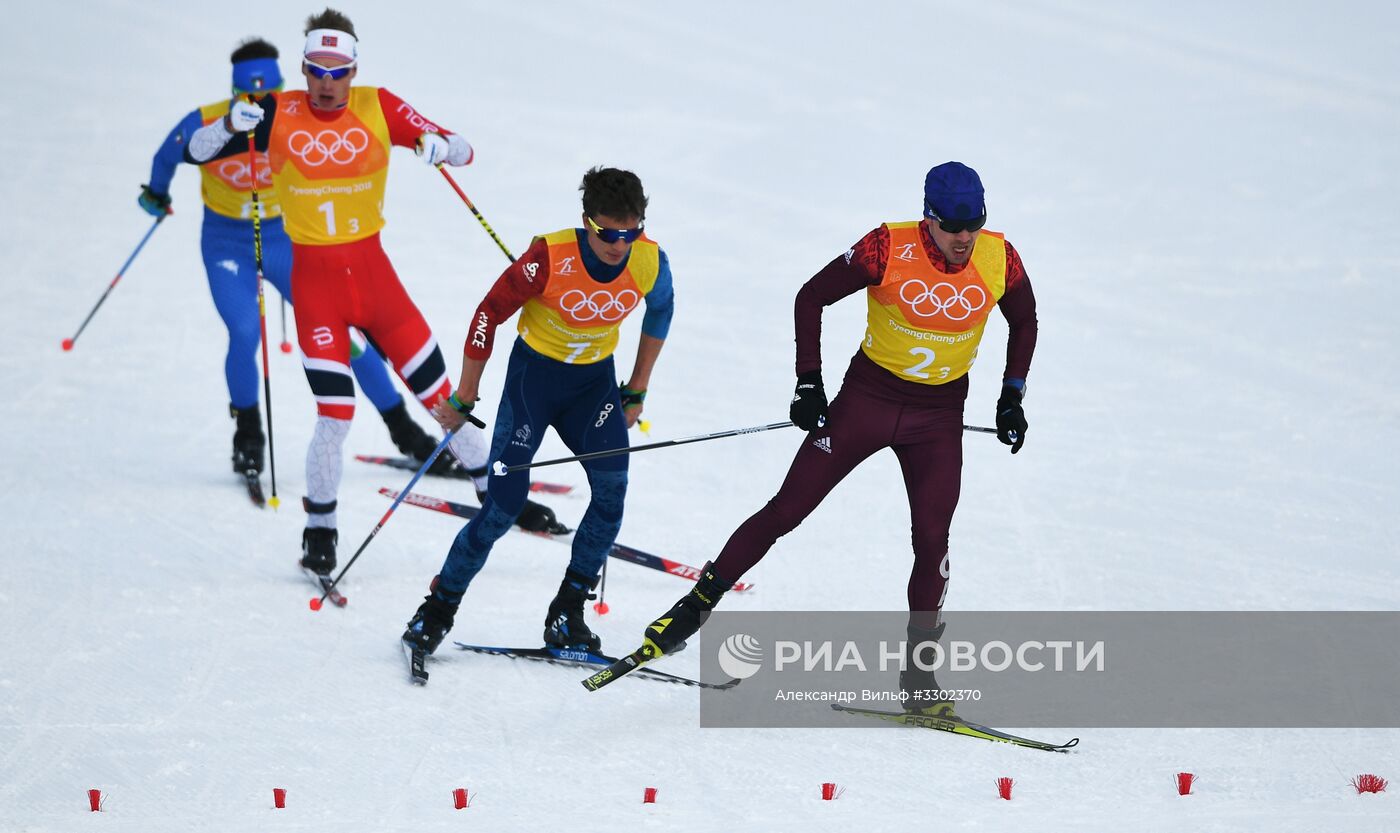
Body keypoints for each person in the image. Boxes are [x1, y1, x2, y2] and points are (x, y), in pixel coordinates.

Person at [640, 162, 1038, 716]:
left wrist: (1011, 394)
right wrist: (808, 381)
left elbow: (1026, 320)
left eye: (975, 224)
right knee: (786, 510)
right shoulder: (885, 247)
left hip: (937, 418)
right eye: (953, 227)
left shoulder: (1000, 256)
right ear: (929, 219)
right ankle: (692, 609)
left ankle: (920, 676)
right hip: (866, 403)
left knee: (933, 540)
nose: (965, 238)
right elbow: (811, 297)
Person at [182, 8, 561, 573]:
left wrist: (438, 145)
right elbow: (197, 150)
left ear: (354, 69)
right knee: (335, 415)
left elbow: (463, 148)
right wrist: (229, 126)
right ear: (304, 69)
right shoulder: (274, 111)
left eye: (339, 71)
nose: (328, 83)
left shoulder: (377, 105)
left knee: (445, 404)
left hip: (379, 287)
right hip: (317, 294)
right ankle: (320, 529)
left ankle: (500, 497)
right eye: (316, 70)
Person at [141, 37, 445, 483]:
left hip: (288, 239)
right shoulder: (209, 121)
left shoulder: (291, 115)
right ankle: (248, 433)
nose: (257, 102)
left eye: (265, 93)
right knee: (245, 331)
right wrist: (156, 194)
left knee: (350, 334)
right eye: (247, 94)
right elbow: (169, 155)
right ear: (234, 91)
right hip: (228, 243)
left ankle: (403, 428)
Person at [402, 166, 674, 657]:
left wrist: (637, 387)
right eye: (609, 233)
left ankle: (567, 613)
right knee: (503, 507)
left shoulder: (649, 260)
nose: (619, 244)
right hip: (534, 383)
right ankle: (437, 609)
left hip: (593, 388)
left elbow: (661, 310)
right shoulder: (548, 256)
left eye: (630, 231)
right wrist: (466, 395)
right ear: (587, 221)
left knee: (612, 495)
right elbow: (489, 312)